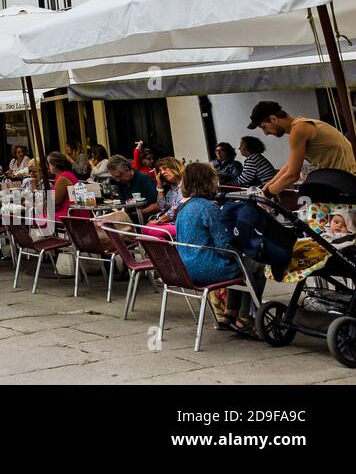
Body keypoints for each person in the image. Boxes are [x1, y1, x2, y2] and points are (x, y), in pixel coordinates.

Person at [175, 161, 262, 335]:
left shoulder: (182, 208)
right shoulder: (209, 208)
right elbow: (224, 247)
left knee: (237, 264)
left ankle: (230, 314)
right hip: (205, 269)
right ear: (208, 182)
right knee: (255, 264)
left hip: (184, 268)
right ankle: (245, 318)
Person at [249, 100, 356, 196]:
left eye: (264, 127)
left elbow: (292, 175)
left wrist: (267, 194)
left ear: (274, 119)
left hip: (347, 185)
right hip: (343, 181)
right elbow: (289, 166)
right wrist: (265, 188)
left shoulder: (298, 130)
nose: (266, 133)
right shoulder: (302, 124)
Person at [144, 157, 184, 237]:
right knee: (147, 228)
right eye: (161, 170)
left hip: (183, 224)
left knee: (149, 229)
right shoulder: (172, 187)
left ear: (174, 167)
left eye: (165, 168)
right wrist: (159, 184)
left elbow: (177, 208)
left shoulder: (184, 184)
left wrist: (159, 220)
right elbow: (163, 207)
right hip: (173, 222)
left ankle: (168, 249)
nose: (162, 172)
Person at [49, 152, 79, 221]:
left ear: (54, 165)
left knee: (37, 217)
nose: (48, 167)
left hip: (69, 213)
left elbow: (55, 201)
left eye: (49, 164)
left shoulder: (63, 178)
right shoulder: (66, 175)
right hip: (71, 210)